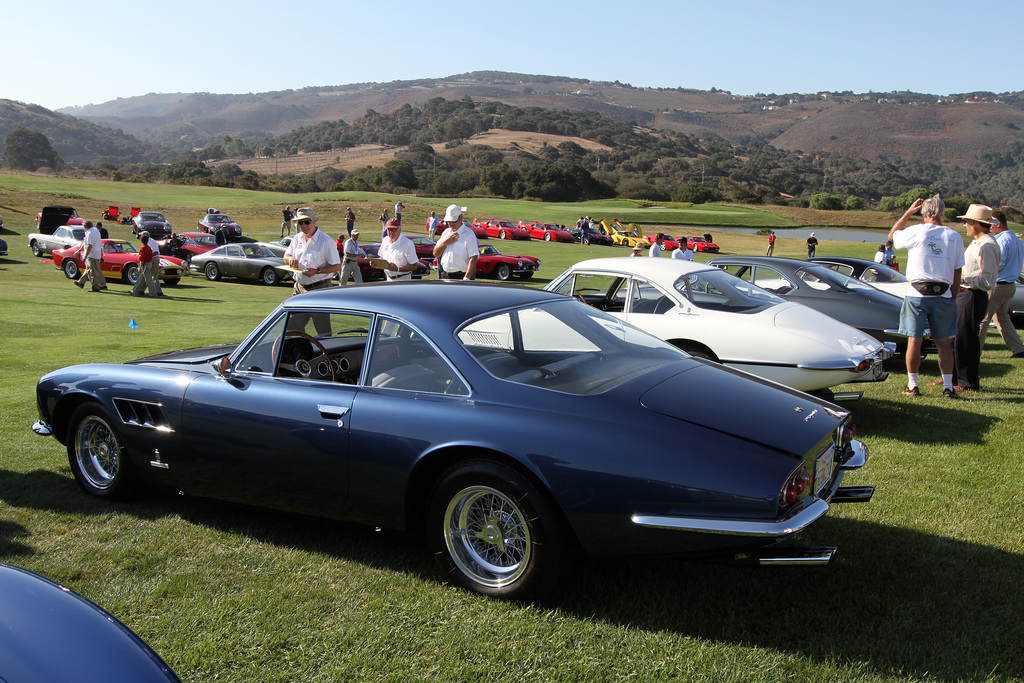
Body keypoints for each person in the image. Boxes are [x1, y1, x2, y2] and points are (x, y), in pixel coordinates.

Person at [889, 195, 964, 398]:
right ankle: (948, 387)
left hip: (917, 294)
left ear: (924, 213)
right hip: (944, 293)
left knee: (915, 340)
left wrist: (907, 213)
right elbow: (957, 272)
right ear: (942, 213)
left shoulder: (917, 231)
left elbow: (892, 236)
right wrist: (953, 296)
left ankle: (913, 385)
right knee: (943, 343)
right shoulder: (954, 236)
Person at [946, 205, 1000, 391]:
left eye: (967, 221)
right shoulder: (978, 242)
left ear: (976, 224)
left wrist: (961, 278)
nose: (965, 225)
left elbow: (988, 280)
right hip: (964, 294)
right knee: (955, 338)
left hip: (973, 295)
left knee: (966, 340)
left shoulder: (987, 246)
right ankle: (951, 379)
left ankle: (967, 383)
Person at [979, 210, 1024, 358]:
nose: (989, 228)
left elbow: (998, 264)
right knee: (1002, 318)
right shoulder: (1016, 240)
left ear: (998, 224)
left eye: (991, 224)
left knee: (983, 319)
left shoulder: (1001, 241)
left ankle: (974, 351)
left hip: (998, 285)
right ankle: (1018, 349)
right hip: (1010, 285)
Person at [283, 207, 341, 295]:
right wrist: (290, 259)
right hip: (298, 287)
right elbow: (286, 256)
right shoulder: (297, 238)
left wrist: (317, 270)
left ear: (314, 221)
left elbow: (336, 266)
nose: (303, 225)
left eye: (307, 222)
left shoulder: (326, 241)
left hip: (319, 288)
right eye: (300, 223)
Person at [432, 204, 478, 280]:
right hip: (445, 276)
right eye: (449, 221)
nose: (450, 224)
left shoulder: (469, 235)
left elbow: (473, 258)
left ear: (461, 218)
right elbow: (435, 253)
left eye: (453, 221)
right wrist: (445, 243)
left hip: (461, 276)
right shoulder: (446, 233)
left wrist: (466, 279)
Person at [75, 221, 106, 292]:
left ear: (86, 227)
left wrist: (85, 256)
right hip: (96, 254)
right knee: (91, 269)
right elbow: (86, 244)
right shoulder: (96, 231)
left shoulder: (90, 234)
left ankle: (95, 286)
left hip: (92, 255)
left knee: (92, 271)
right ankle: (81, 282)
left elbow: (89, 245)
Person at [132, 231, 159, 298]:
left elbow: (142, 259)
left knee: (148, 280)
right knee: (141, 278)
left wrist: (140, 266)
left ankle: (153, 293)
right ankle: (135, 291)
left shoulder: (143, 248)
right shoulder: (149, 248)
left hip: (145, 265)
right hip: (149, 263)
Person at [145, 231, 164, 297]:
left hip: (153, 259)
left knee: (148, 275)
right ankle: (158, 291)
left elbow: (155, 252)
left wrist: (148, 257)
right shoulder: (148, 241)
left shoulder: (151, 242)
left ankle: (140, 290)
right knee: (153, 276)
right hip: (153, 259)